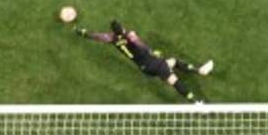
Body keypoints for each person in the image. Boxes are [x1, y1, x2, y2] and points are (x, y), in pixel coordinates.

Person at [78, 20, 214, 101]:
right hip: (153, 63)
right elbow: (140, 45)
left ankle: (199, 70)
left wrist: (83, 32)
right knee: (173, 80)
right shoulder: (130, 35)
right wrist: (152, 51)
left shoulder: (111, 38)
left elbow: (97, 36)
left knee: (173, 61)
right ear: (122, 28)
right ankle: (197, 103)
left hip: (144, 68)